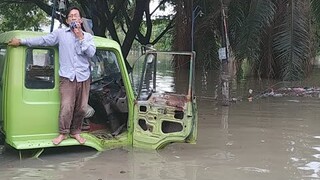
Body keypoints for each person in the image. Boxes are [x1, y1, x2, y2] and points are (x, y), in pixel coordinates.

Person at [8, 6, 96, 145]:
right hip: (67, 77)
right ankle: (63, 133)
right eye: (71, 16)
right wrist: (22, 41)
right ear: (67, 20)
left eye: (76, 15)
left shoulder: (89, 37)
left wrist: (80, 37)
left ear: (80, 20)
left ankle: (76, 132)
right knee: (66, 106)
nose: (73, 17)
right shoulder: (60, 34)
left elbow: (91, 53)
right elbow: (43, 40)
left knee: (82, 108)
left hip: (83, 77)